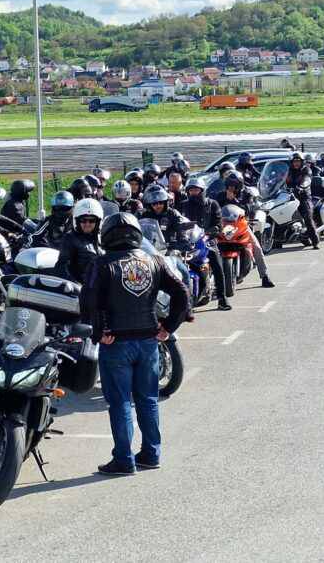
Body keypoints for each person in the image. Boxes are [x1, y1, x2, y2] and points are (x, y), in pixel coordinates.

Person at [82, 212, 190, 475]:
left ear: (106, 235)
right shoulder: (154, 260)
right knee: (148, 399)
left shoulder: (101, 263)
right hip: (148, 340)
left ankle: (123, 459)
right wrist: (169, 327)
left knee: (120, 403)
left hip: (116, 342)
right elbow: (182, 290)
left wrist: (100, 331)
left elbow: (88, 301)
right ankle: (151, 454)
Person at [179, 176, 230, 310]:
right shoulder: (183, 205)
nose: (193, 192)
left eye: (196, 190)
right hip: (187, 242)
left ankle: (222, 299)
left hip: (207, 240)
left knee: (218, 265)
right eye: (191, 190)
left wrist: (209, 233)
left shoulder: (212, 204)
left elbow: (219, 224)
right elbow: (177, 223)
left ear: (202, 190)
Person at [54, 198, 104, 282]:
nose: (87, 224)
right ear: (77, 221)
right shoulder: (70, 238)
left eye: (92, 220)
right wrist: (77, 286)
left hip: (101, 287)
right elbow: (61, 268)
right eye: (83, 220)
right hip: (82, 289)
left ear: (98, 221)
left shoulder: (102, 238)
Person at [286, 152, 319, 249]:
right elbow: (281, 179)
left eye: (298, 161)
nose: (296, 163)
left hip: (303, 197)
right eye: (294, 161)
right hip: (290, 197)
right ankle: (277, 240)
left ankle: (315, 241)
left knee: (308, 218)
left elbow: (307, 180)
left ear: (302, 162)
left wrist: (301, 187)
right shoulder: (289, 171)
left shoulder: (306, 170)